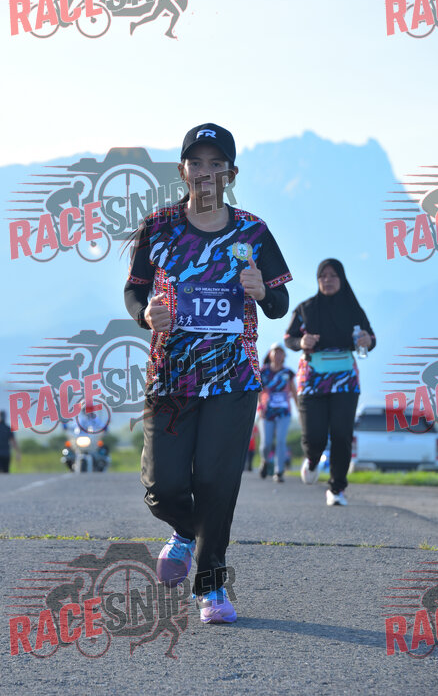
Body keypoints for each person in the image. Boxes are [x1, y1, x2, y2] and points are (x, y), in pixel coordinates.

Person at [124, 123, 292, 623]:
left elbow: (280, 303)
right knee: (163, 487)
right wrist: (145, 314)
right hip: (170, 375)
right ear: (182, 171)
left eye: (216, 164)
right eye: (195, 162)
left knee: (218, 485)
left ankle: (212, 587)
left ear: (231, 174)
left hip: (233, 377)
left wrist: (263, 291)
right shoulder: (158, 227)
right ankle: (183, 530)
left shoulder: (253, 231)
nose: (205, 172)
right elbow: (134, 290)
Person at [284, 259, 375, 506]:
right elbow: (289, 338)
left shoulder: (354, 310)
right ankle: (313, 459)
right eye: (323, 275)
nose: (328, 280)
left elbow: (371, 337)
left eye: (333, 275)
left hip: (345, 378)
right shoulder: (305, 308)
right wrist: (301, 342)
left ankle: (337, 489)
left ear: (342, 279)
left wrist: (367, 340)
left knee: (342, 434)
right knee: (315, 436)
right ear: (317, 280)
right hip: (312, 377)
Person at [258, 343, 296, 483]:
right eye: (275, 352)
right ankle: (265, 461)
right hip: (266, 412)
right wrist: (259, 407)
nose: (278, 355)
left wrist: (300, 409)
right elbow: (258, 391)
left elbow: (293, 391)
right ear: (270, 354)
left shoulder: (288, 373)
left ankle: (279, 471)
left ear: (284, 356)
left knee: (281, 441)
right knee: (266, 443)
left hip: (283, 412)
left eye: (281, 353)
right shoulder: (262, 372)